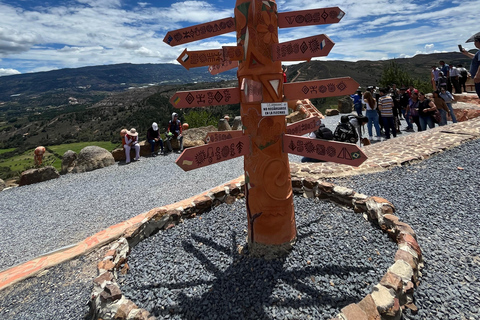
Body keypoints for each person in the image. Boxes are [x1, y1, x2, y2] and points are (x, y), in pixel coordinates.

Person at [461, 32, 480, 99]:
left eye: (475, 41)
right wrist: (466, 53)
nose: (474, 43)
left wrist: (478, 75)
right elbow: (475, 57)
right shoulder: (478, 52)